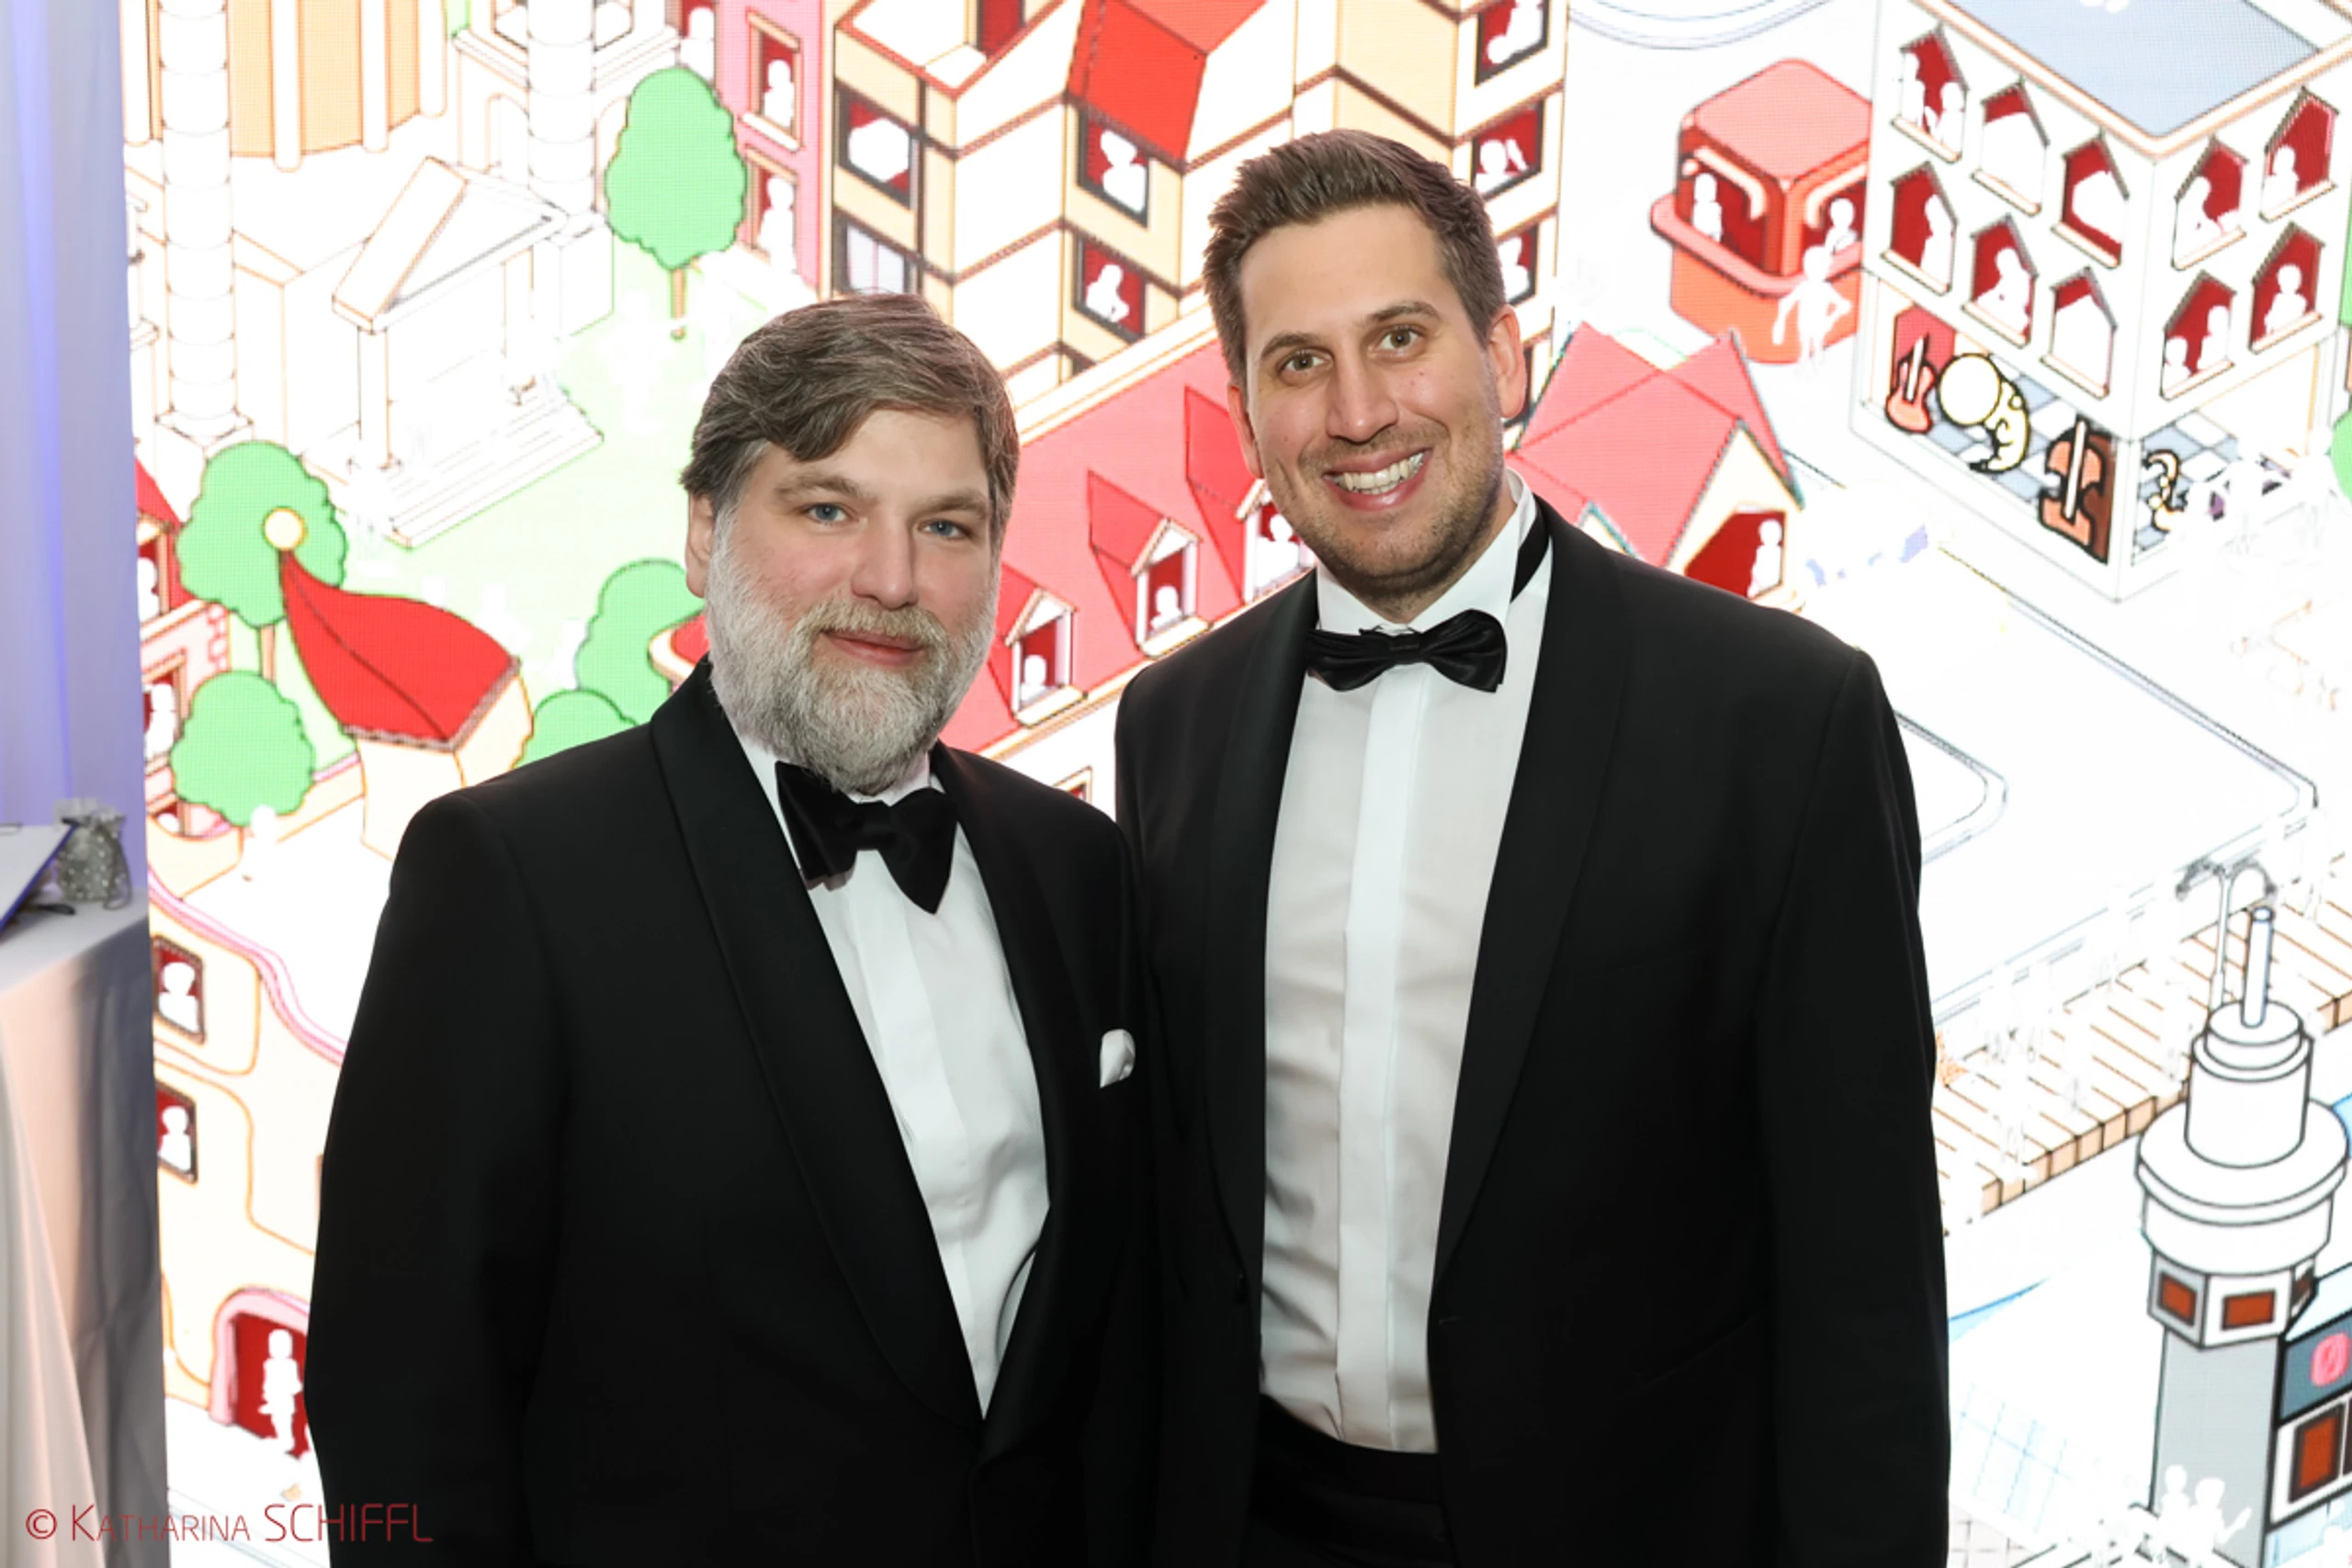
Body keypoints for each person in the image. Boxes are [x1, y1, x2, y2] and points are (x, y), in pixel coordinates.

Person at [1114, 129, 1946, 1567]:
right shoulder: (1172, 724)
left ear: (1503, 357)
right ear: (1246, 418)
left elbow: (1863, 1276)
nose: (1358, 411)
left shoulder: (1781, 723)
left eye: (1400, 338)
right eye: (1300, 363)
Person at [308, 295, 1156, 1564]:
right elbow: (402, 1404)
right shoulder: (511, 880)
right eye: (827, 509)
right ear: (705, 531)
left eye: (946, 525)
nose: (891, 579)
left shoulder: (1076, 865)